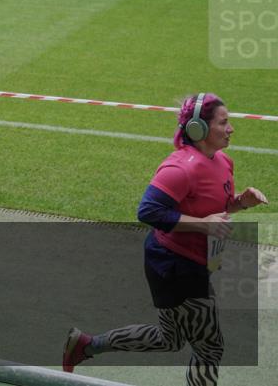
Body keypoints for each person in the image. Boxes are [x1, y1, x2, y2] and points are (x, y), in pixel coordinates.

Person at [63, 92, 268, 385]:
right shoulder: (180, 168)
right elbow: (148, 211)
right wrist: (202, 226)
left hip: (196, 261)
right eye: (224, 122)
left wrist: (240, 202)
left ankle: (85, 345)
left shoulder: (223, 161)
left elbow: (211, 209)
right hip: (175, 266)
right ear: (199, 128)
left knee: (169, 339)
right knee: (209, 348)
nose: (231, 128)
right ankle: (86, 345)